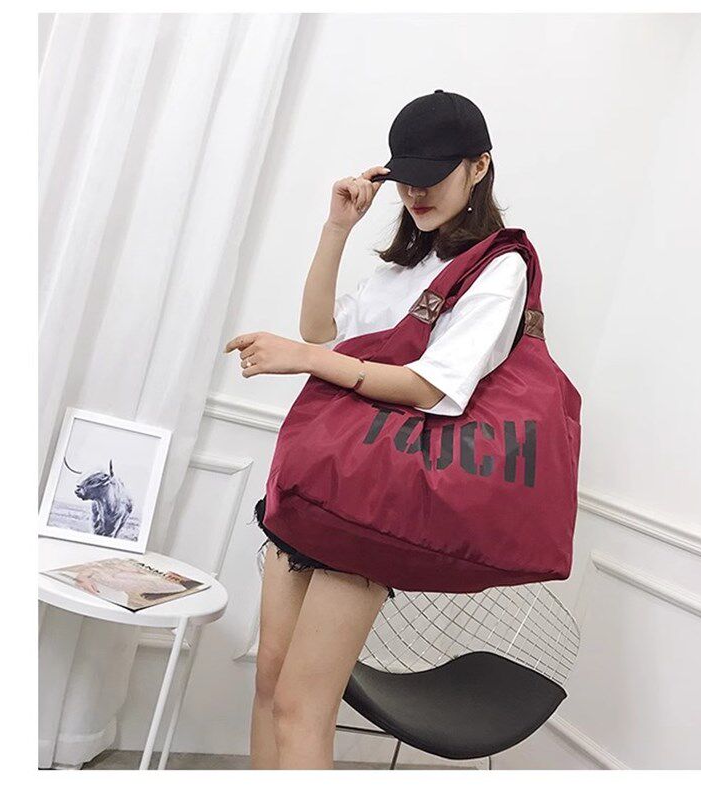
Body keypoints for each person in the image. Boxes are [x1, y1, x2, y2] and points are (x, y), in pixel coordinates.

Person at [224, 90, 527, 769]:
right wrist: (338, 228)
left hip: (373, 499)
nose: (415, 192)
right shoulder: (406, 265)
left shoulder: (496, 268)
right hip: (314, 483)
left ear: (479, 167)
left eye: (433, 175)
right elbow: (320, 330)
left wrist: (306, 361)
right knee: (269, 681)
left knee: (303, 704)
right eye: (406, 176)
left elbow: (430, 386)